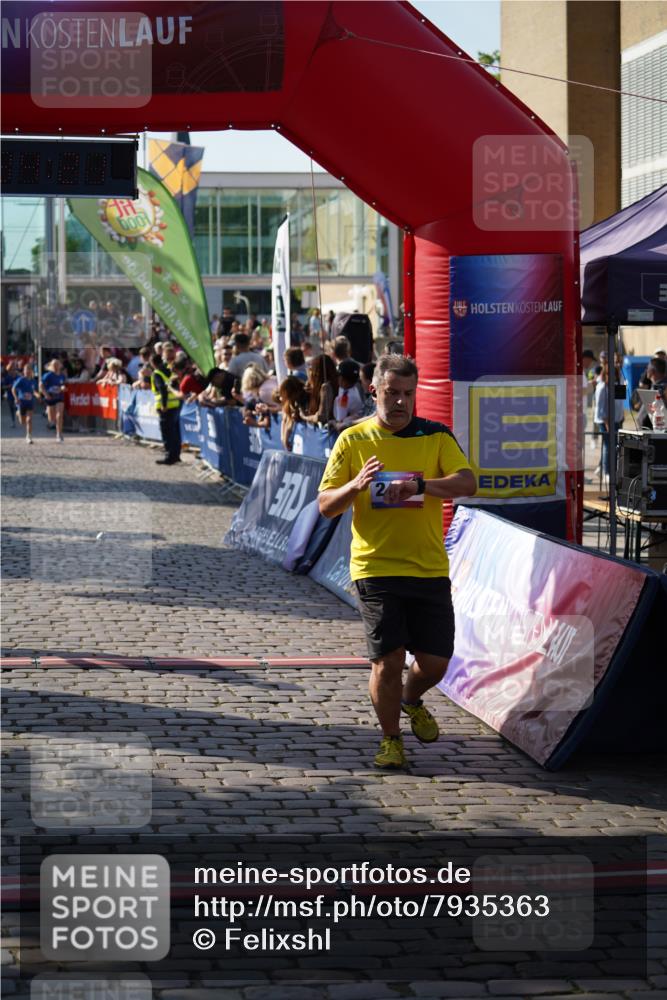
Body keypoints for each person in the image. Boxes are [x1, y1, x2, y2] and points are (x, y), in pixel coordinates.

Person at [318, 354, 477, 769]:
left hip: (428, 567)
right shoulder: (352, 440)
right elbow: (325, 507)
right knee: (387, 662)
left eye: (408, 393)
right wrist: (356, 485)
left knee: (435, 663)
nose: (401, 402)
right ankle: (390, 739)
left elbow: (467, 482)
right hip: (376, 567)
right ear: (374, 390)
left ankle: (411, 699)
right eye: (392, 393)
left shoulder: (436, 436)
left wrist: (421, 485)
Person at [150, 352, 183, 465]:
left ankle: (169, 457)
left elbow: (162, 389)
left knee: (167, 432)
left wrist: (164, 405)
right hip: (175, 404)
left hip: (166, 407)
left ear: (153, 363)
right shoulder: (169, 371)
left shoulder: (157, 373)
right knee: (175, 432)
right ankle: (176, 455)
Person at [301, 354, 337, 425]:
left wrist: (305, 417)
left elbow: (322, 416)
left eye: (312, 368)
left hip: (328, 430)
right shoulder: (333, 382)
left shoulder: (326, 387)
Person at [332, 359, 365, 429]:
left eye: (338, 376)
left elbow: (340, 418)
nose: (336, 378)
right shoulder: (350, 389)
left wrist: (332, 422)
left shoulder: (346, 397)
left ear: (343, 380)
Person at [40, 358, 67, 442]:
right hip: (50, 398)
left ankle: (59, 434)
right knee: (52, 419)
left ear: (59, 366)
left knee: (59, 415)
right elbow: (41, 386)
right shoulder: (48, 375)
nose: (56, 367)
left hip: (59, 397)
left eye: (57, 365)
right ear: (51, 366)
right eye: (54, 365)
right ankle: (53, 424)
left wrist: (63, 388)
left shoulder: (62, 375)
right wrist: (46, 394)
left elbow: (63, 385)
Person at [12, 362, 39, 444]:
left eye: (29, 370)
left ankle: (29, 436)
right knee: (22, 422)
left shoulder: (33, 381)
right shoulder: (21, 380)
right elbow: (13, 389)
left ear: (31, 371)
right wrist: (16, 398)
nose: (27, 371)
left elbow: (34, 391)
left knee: (29, 420)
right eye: (26, 370)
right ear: (23, 371)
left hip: (30, 403)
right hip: (21, 403)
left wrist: (37, 395)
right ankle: (18, 412)